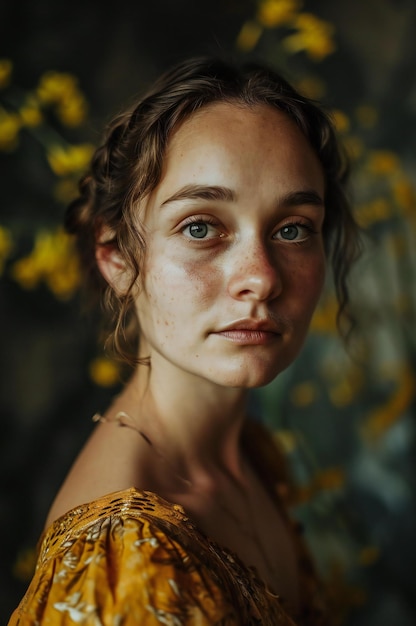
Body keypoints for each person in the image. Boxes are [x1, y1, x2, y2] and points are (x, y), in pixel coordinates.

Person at [9, 56, 359, 626]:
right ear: (117, 256)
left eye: (293, 229)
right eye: (200, 227)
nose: (262, 277)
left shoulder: (251, 456)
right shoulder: (121, 562)